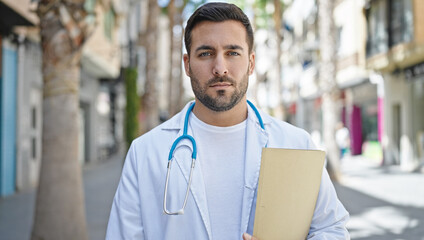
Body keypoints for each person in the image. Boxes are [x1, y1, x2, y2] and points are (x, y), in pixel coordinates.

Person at [106, 2, 350, 240]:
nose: (220, 68)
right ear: (187, 65)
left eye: (232, 53)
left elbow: (331, 228)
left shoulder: (295, 143)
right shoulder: (145, 152)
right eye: (206, 53)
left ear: (251, 63)